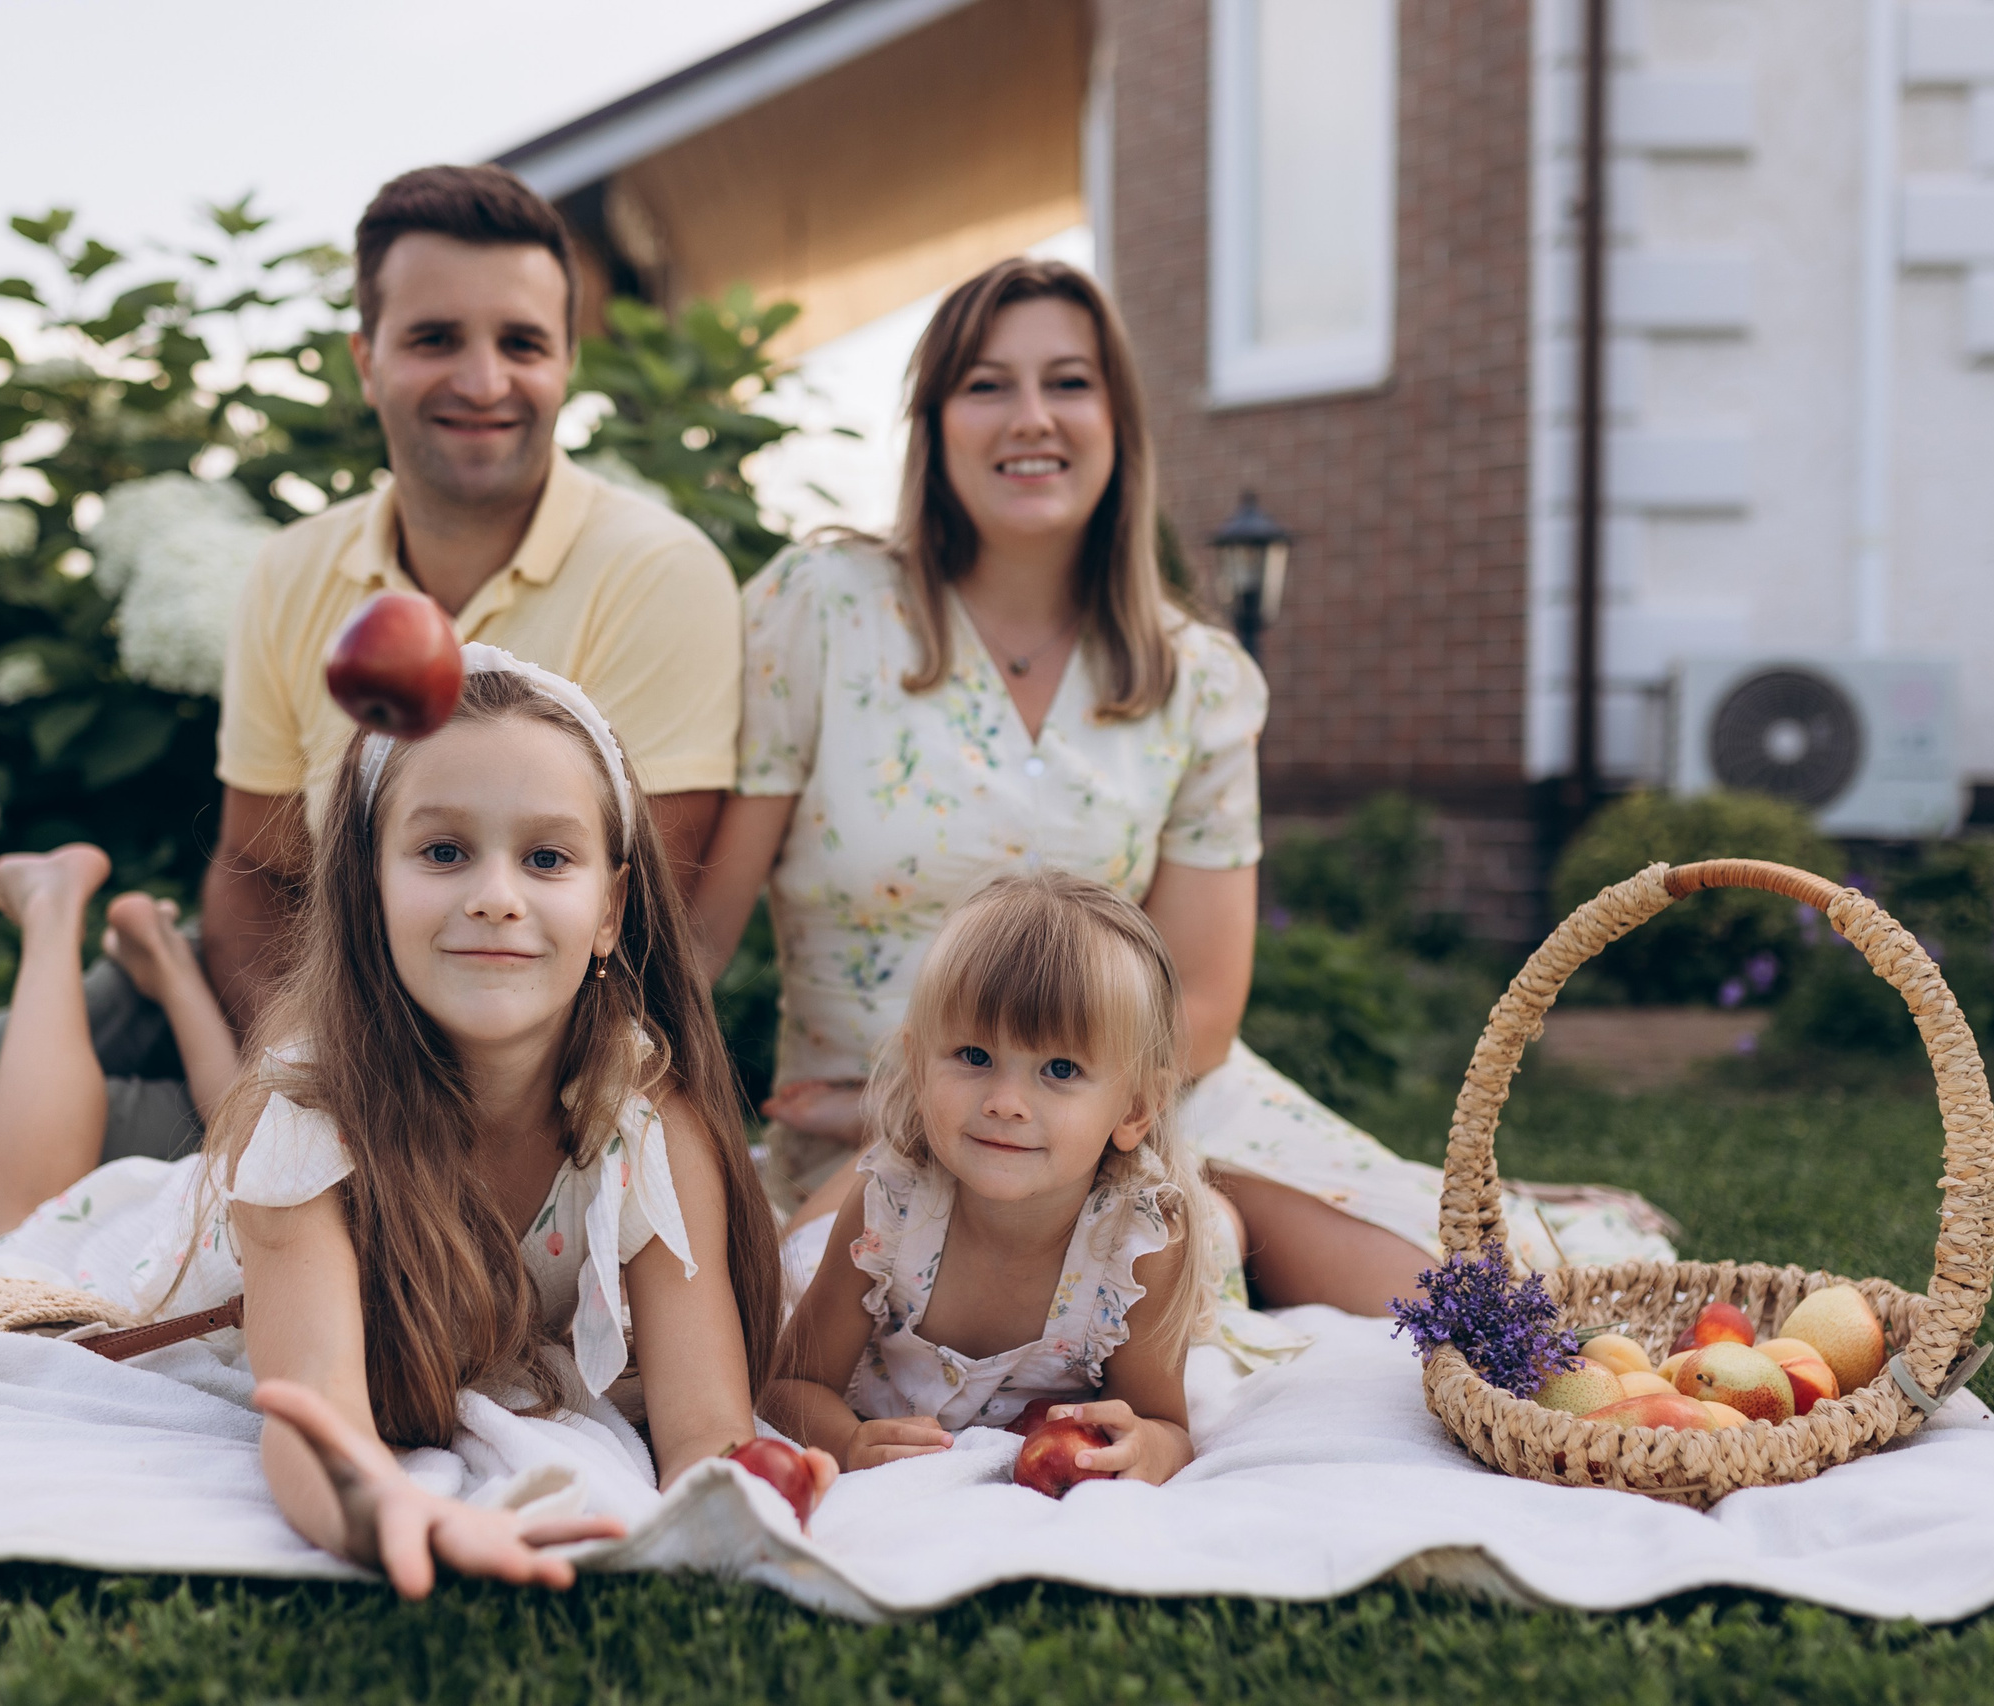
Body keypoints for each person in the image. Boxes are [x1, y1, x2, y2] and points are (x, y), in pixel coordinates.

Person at [0, 163, 744, 1246]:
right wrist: (272, 1078)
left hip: (470, 1059)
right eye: (434, 338)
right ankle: (115, 944)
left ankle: (108, 969)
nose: (483, 378)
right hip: (287, 1001)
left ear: (567, 361)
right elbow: (251, 873)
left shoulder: (657, 571)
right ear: (364, 358)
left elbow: (645, 926)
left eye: (521, 342)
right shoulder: (298, 571)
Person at [691, 257, 1673, 1317]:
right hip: (886, 1132)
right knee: (794, 1321)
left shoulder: (1193, 677)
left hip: (1149, 1097)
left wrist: (1019, 1086)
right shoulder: (820, 609)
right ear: (932, 424)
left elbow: (1199, 1003)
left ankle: (1257, 1222)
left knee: (1488, 1306)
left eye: (1068, 382)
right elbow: (698, 935)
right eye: (985, 384)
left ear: (1117, 418)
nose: (1031, 416)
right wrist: (904, 1096)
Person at [0, 649, 814, 1593]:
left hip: (273, 1116)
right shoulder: (309, 1121)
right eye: (445, 850)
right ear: (368, 889)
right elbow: (314, 1404)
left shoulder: (644, 1121)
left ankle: (163, 967)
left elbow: (706, 1424)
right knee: (16, 1213)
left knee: (241, 1086)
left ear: (609, 910)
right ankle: (57, 918)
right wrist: (376, 1506)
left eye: (548, 859)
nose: (497, 895)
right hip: (196, 1253)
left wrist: (757, 1474)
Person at [762, 874, 1220, 1484]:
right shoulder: (884, 1210)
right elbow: (791, 1384)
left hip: (1098, 1203)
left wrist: (1144, 1448)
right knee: (806, 1233)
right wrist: (847, 1441)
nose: (1006, 1102)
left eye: (1060, 1069)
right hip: (865, 1224)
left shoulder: (1138, 1246)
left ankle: (866, 1118)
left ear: (1136, 1109)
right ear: (920, 1067)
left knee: (1221, 1245)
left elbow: (1163, 1425)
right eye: (974, 1057)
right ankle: (870, 1124)